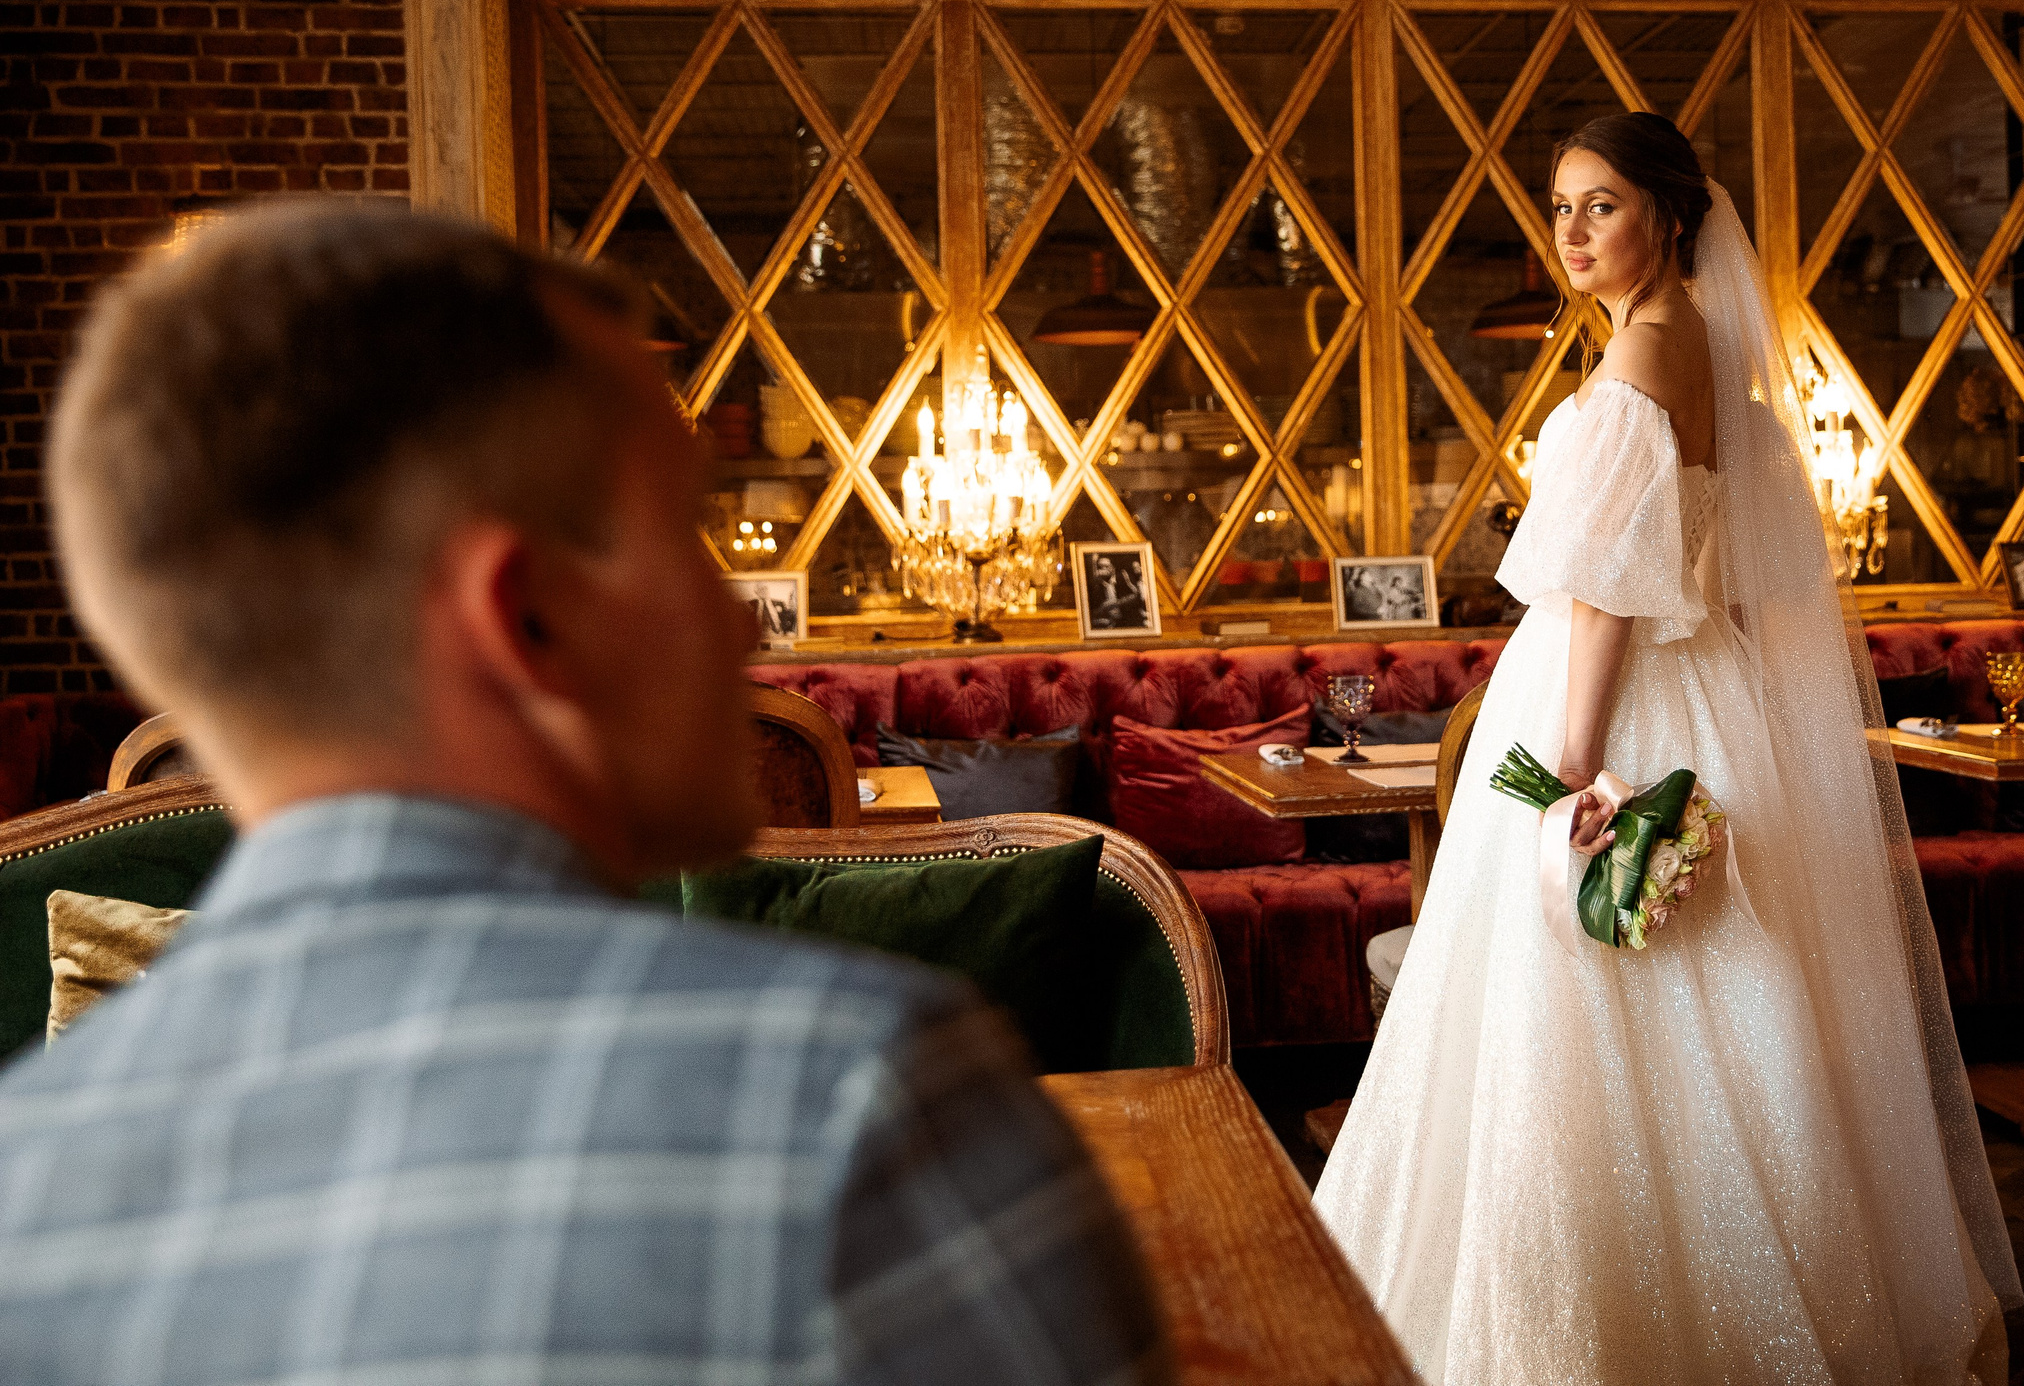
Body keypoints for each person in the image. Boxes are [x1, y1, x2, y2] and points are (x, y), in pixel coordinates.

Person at [0, 199, 1167, 1386]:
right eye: (687, 532)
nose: (732, 620)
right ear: (526, 618)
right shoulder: (853, 1103)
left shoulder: (21, 1184)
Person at [1313, 115, 2021, 1384]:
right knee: (1712, 1006)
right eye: (1560, 208)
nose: (1571, 232)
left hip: (1614, 701)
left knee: (1583, 1001)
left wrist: (1569, 765)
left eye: (1601, 206)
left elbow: (1605, 591)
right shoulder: (1695, 345)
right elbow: (1714, 570)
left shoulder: (1640, 358)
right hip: (1695, 691)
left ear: (1672, 219)